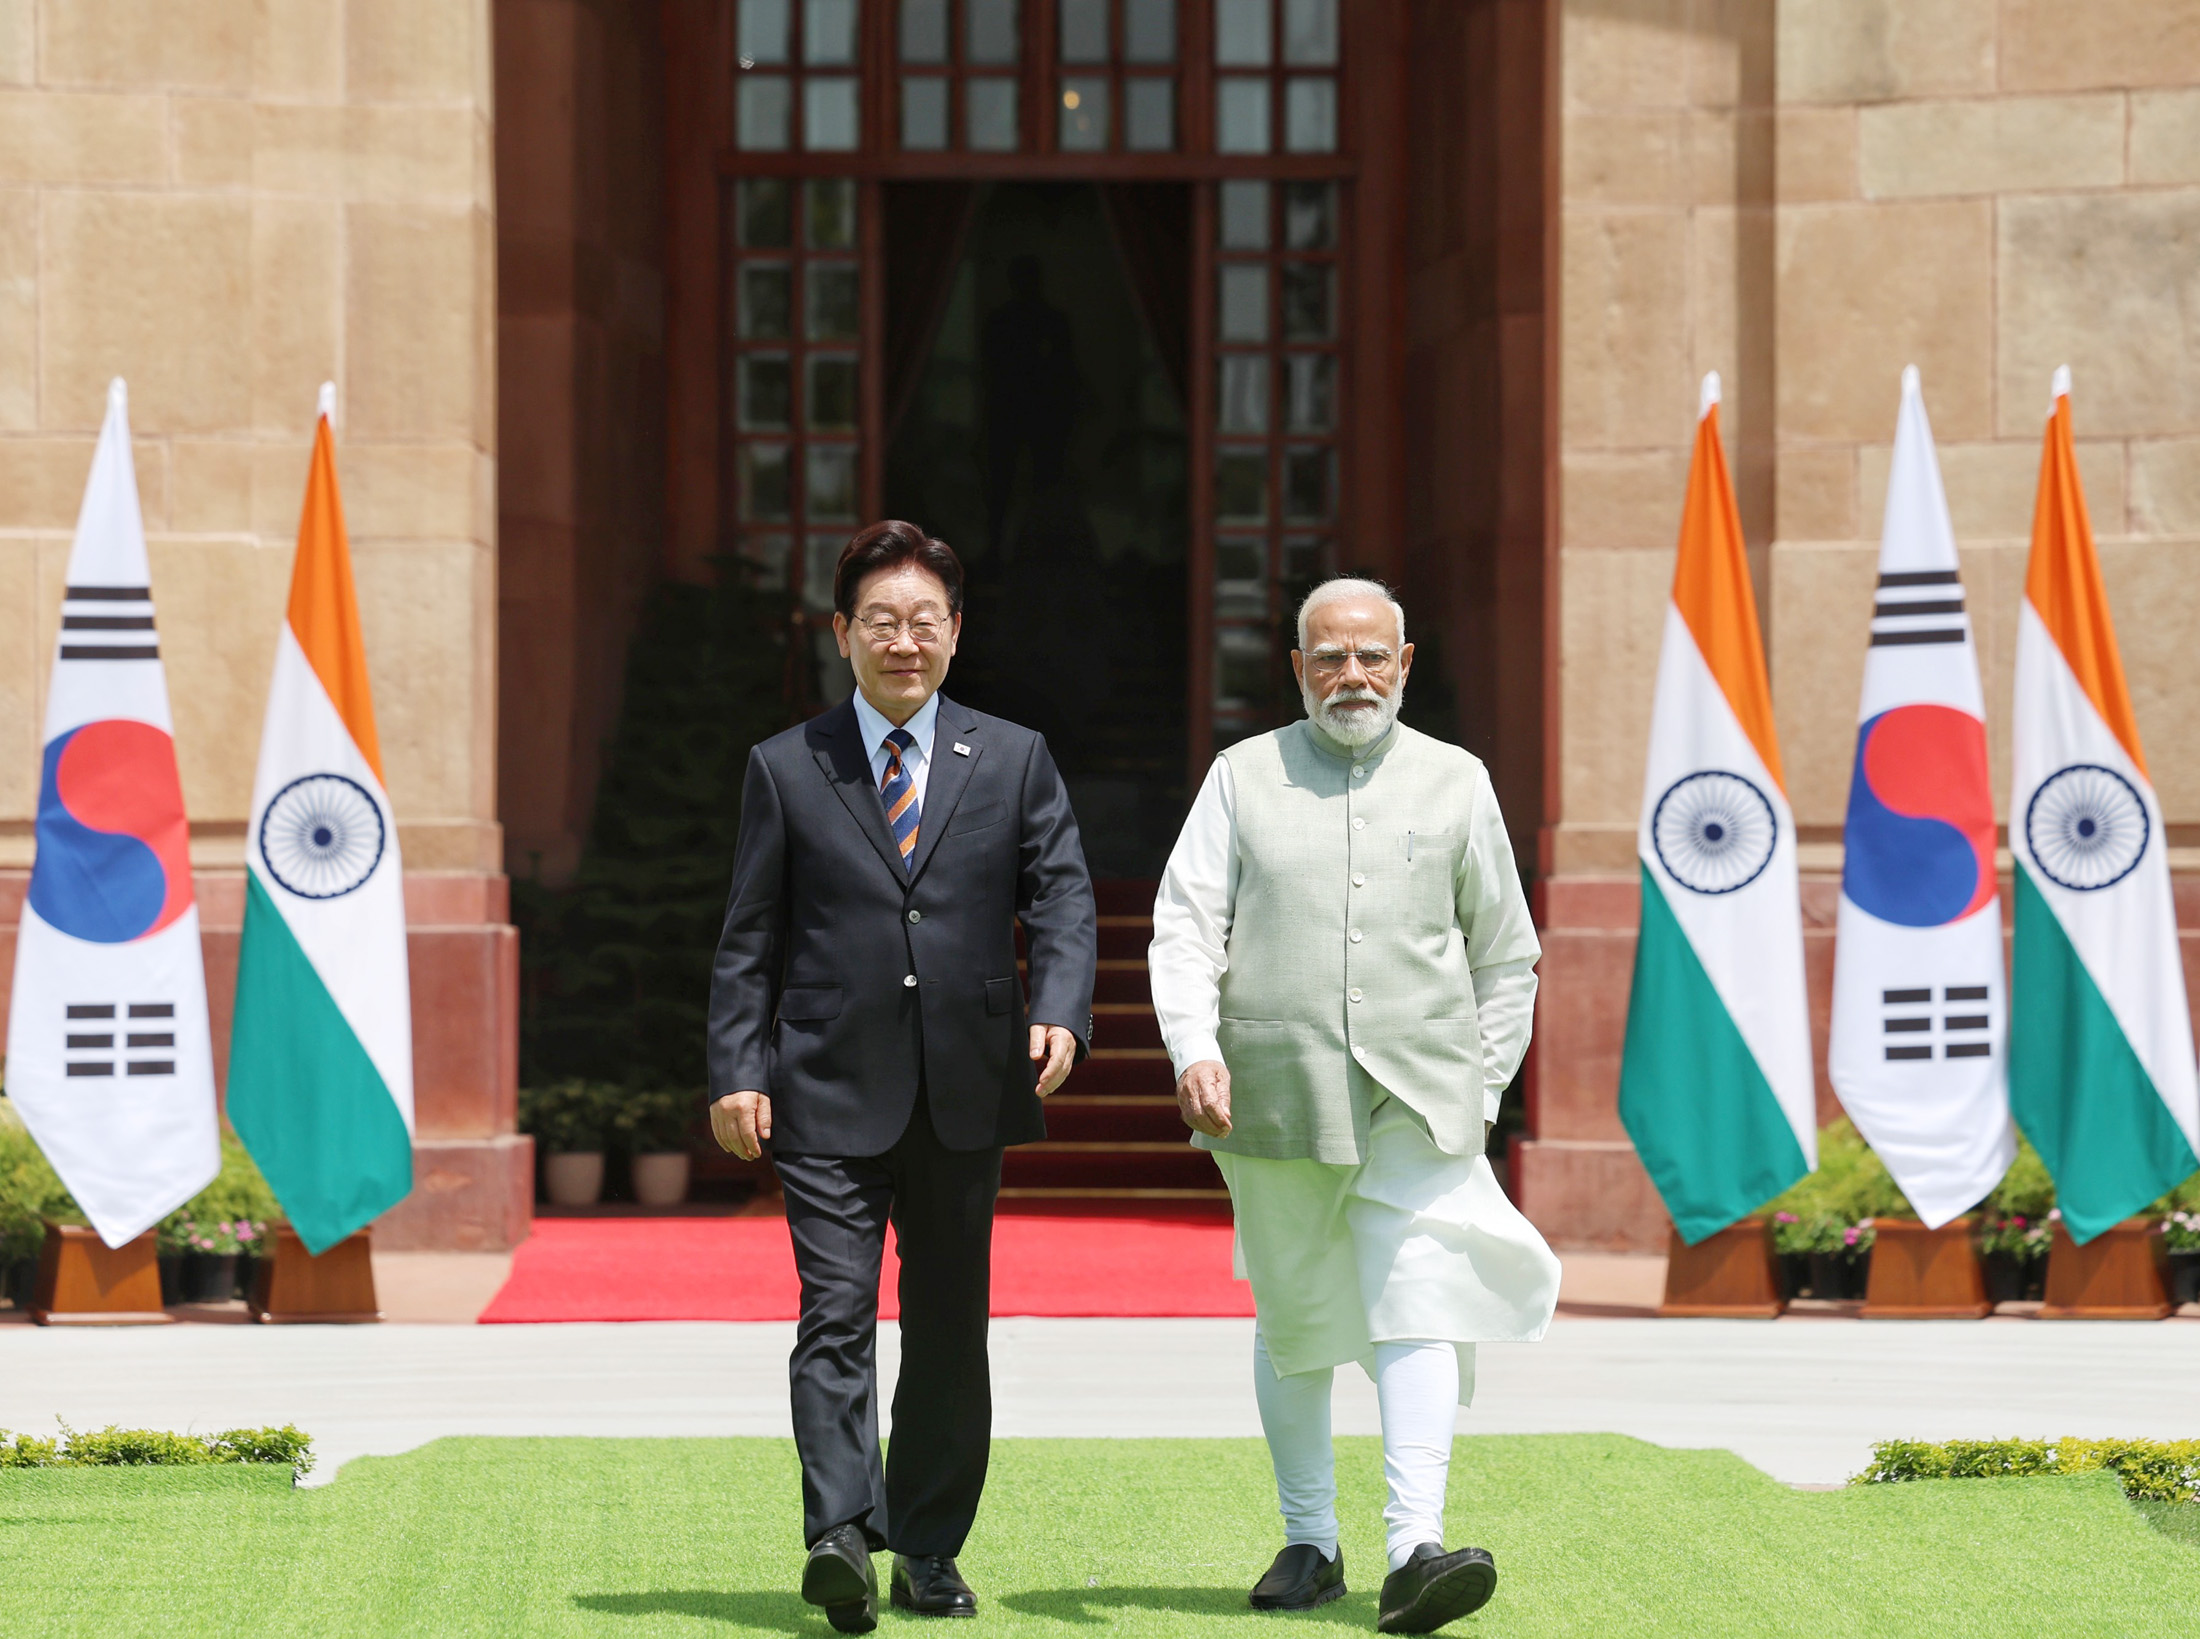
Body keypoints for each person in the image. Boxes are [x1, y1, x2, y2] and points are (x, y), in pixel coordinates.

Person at [1148, 577, 1560, 1634]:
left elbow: (1508, 956)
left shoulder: (1458, 781)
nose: (1351, 676)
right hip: (1272, 1096)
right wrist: (1192, 1046)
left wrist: (1483, 1080)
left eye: (1371, 656)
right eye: (1328, 657)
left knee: (1416, 1292)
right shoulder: (1241, 778)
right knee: (1294, 1318)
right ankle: (1309, 1540)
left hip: (1420, 1097)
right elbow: (1185, 925)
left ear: (1405, 663)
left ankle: (1412, 1545)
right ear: (1295, 668)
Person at [708, 520, 1097, 1633]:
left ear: (956, 632)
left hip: (968, 1082)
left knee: (943, 1327)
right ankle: (838, 1534)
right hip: (825, 1081)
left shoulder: (1013, 755)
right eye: (880, 619)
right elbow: (748, 935)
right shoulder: (787, 765)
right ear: (842, 634)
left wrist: (1060, 1011)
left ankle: (927, 1546)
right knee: (833, 1312)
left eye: (925, 618)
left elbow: (1061, 896)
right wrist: (738, 1066)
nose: (904, 639)